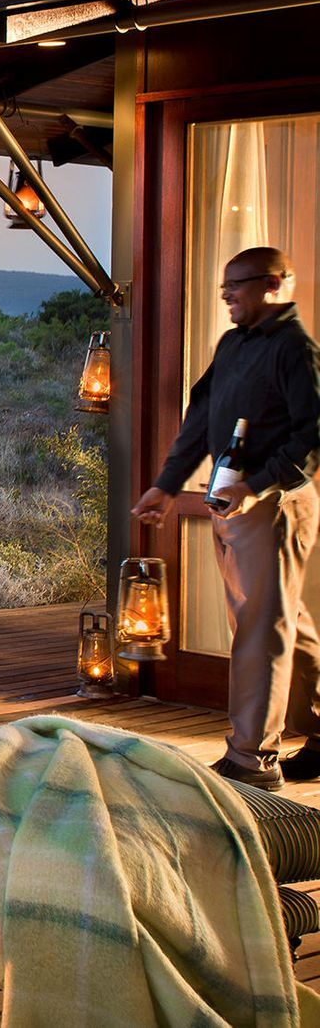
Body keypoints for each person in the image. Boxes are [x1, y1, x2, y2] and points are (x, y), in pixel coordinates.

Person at [134, 246, 320, 790]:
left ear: (275, 285)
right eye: (224, 287)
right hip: (231, 500)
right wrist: (166, 485)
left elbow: (310, 439)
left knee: (260, 628)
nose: (227, 295)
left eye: (236, 285)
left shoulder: (294, 349)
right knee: (281, 619)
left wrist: (256, 487)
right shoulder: (234, 344)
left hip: (272, 505)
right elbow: (201, 417)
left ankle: (251, 762)